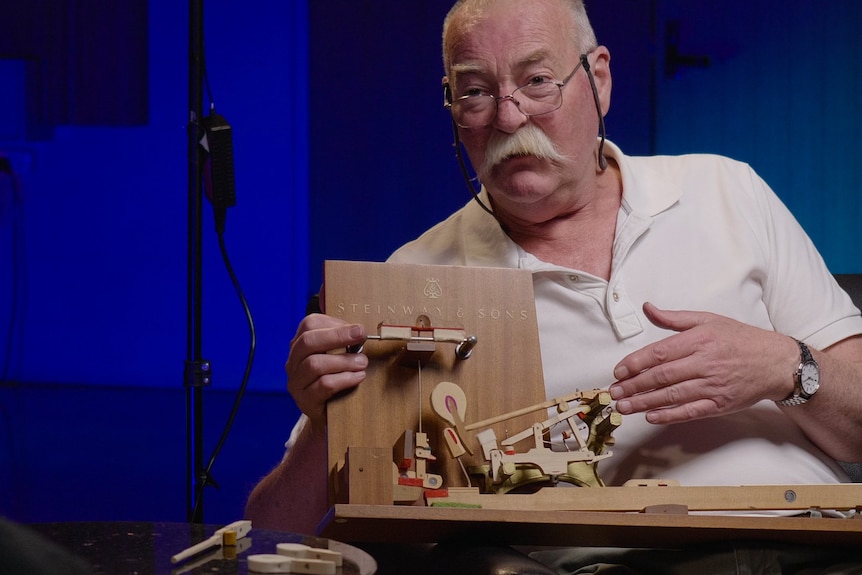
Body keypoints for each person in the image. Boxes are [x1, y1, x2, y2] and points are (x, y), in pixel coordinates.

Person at [246, 0, 862, 571]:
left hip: (826, 547)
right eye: (476, 92)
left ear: (599, 79)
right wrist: (331, 419)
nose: (510, 117)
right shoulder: (417, 280)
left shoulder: (728, 190)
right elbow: (274, 543)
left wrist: (787, 366)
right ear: (451, 107)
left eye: (537, 81)